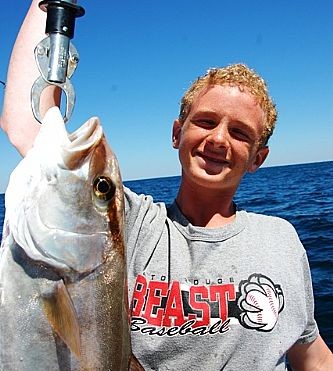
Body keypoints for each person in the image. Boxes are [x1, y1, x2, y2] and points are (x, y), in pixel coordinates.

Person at [1, 1, 333, 370]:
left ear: (258, 157)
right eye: (206, 122)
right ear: (178, 134)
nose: (219, 139)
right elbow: (30, 123)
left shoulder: (282, 240)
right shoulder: (130, 225)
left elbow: (313, 357)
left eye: (240, 133)